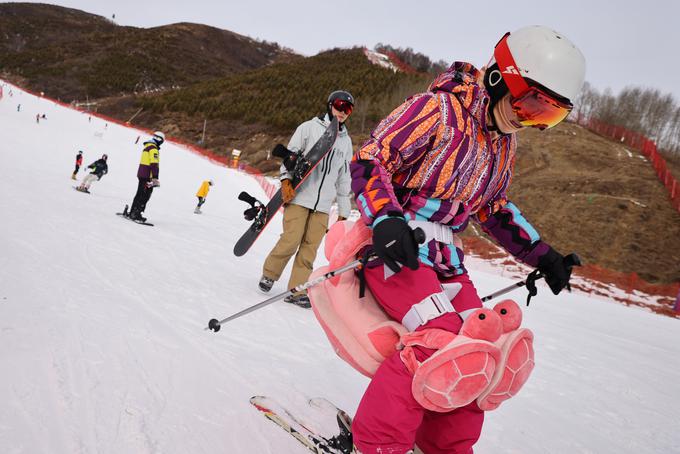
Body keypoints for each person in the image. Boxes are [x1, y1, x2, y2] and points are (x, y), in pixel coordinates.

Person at [347, 26, 585, 453]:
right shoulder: (436, 111)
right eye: (530, 102)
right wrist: (385, 218)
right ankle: (378, 445)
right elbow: (370, 159)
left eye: (547, 115)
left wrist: (543, 254)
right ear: (502, 77)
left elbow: (492, 207)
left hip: (445, 259)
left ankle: (446, 447)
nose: (528, 119)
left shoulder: (503, 144)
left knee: (484, 346)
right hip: (395, 247)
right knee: (437, 343)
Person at [258, 91, 354, 307]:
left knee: (310, 249)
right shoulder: (308, 128)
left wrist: (344, 210)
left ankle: (296, 290)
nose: (343, 112)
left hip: (323, 205)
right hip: (300, 196)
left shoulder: (346, 143)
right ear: (330, 105)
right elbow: (289, 158)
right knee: (291, 240)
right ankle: (269, 274)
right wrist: (285, 181)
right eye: (340, 106)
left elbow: (343, 178)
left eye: (348, 109)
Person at [128, 131, 164, 222]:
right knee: (145, 194)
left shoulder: (147, 147)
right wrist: (155, 177)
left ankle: (132, 211)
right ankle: (136, 214)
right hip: (147, 176)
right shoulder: (153, 149)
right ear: (159, 140)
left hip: (142, 174)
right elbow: (154, 164)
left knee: (140, 193)